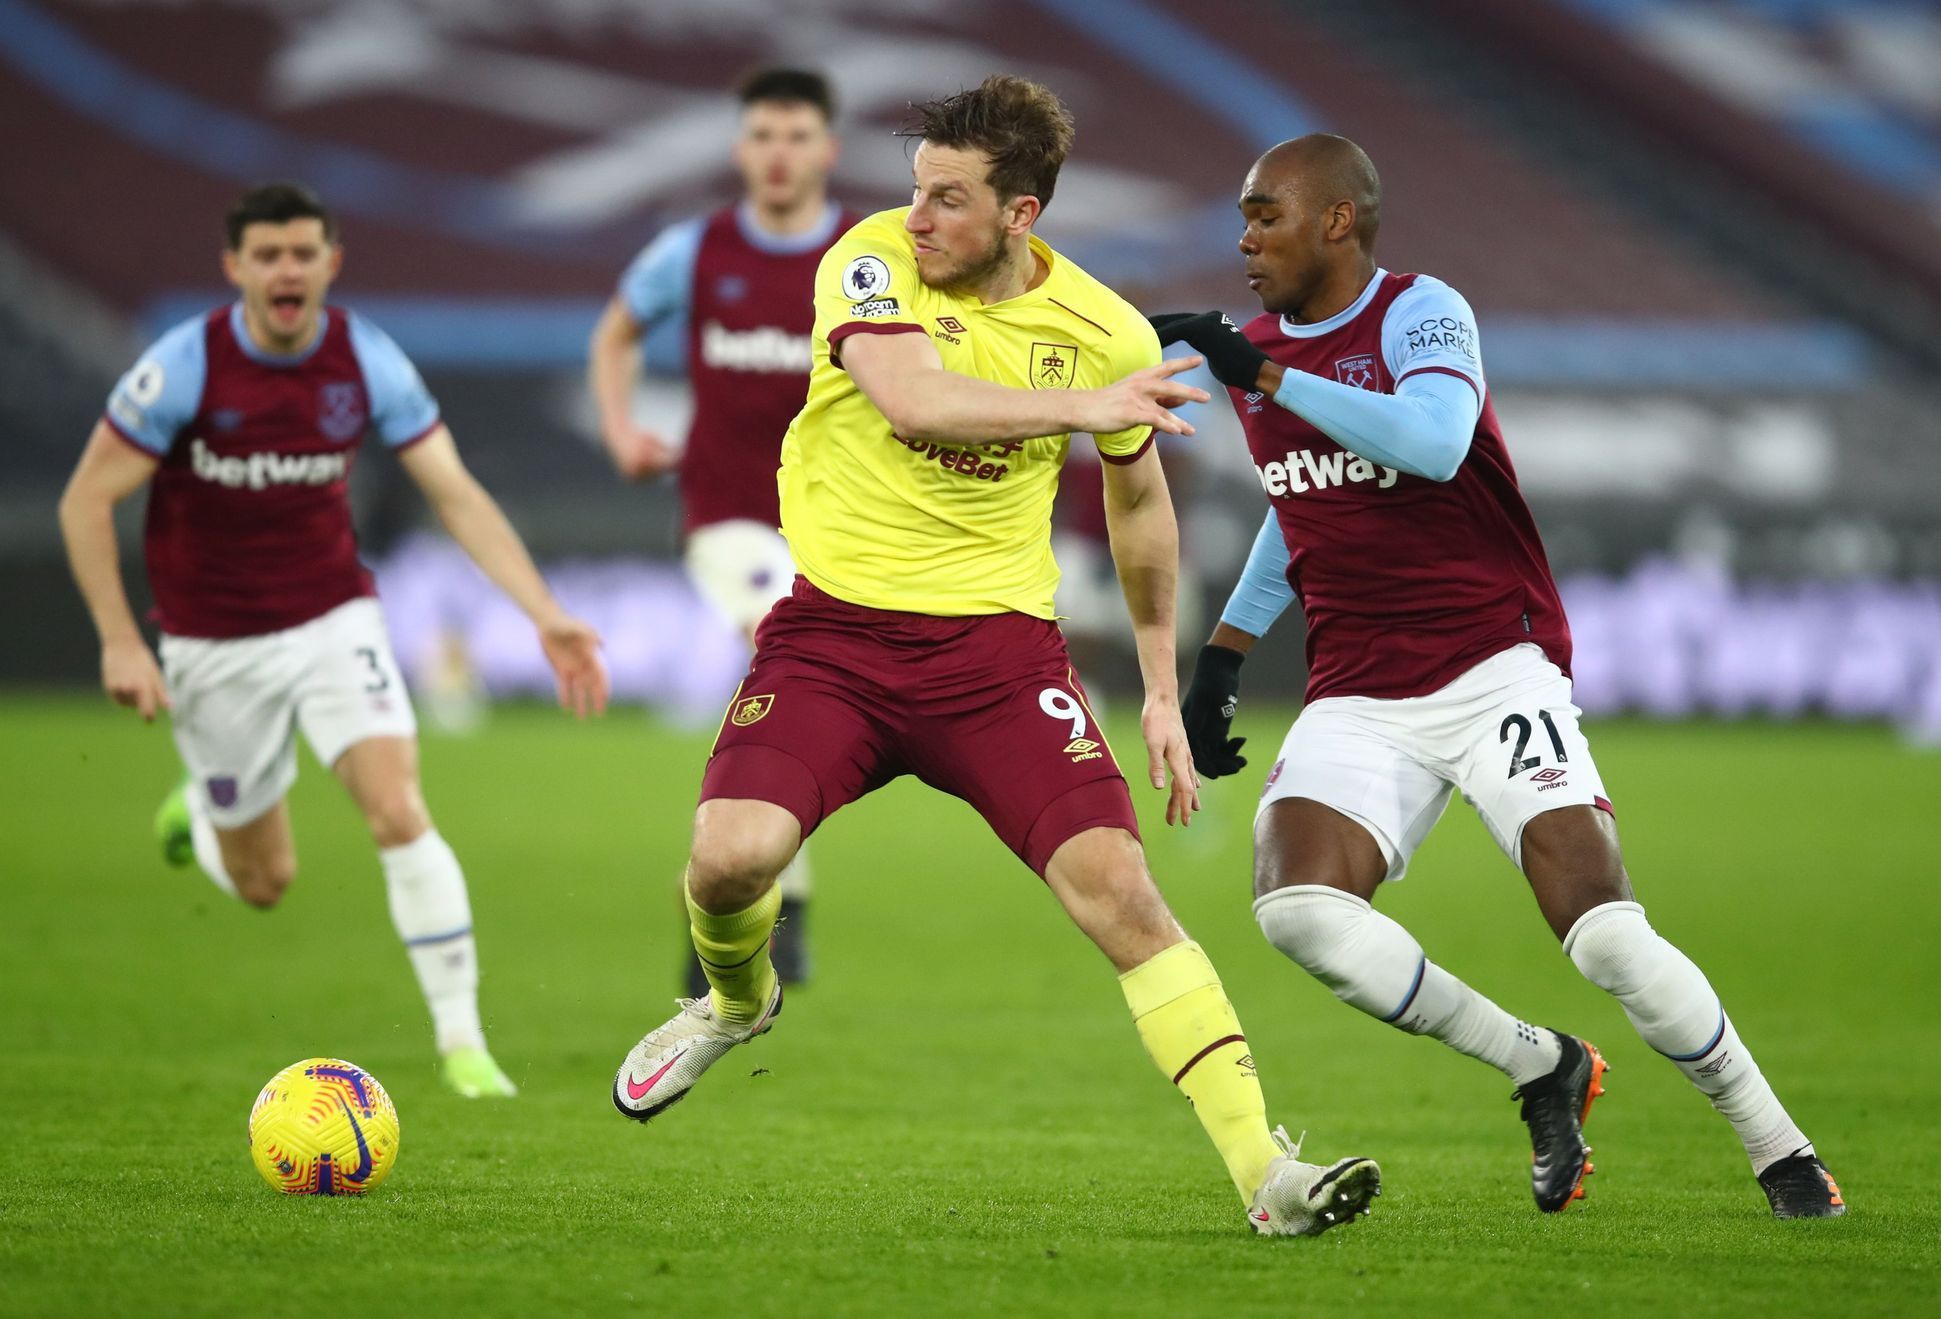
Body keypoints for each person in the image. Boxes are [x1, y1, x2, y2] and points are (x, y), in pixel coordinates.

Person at [609, 76, 1381, 1237]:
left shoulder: (1105, 334)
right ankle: (733, 1002)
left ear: (1022, 214)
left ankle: (1265, 1173)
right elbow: (911, 400)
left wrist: (1160, 688)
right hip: (834, 638)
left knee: (1124, 895)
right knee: (727, 864)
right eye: (917, 189)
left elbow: (1139, 503)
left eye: (950, 199)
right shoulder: (868, 259)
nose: (917, 217)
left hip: (999, 662)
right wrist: (1083, 412)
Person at [1157, 134, 1842, 1218]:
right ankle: (1539, 1062)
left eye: (1264, 214)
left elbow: (1432, 442)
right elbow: (1304, 496)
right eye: (1241, 218)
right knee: (1298, 911)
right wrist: (1223, 656)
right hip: (1358, 688)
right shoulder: (1258, 351)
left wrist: (1268, 375)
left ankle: (1779, 1147)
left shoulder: (1420, 312)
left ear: (1337, 220)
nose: (1244, 238)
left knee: (1606, 935)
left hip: (1492, 667)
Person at [59, 183, 610, 1098]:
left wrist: (543, 611)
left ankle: (463, 1044)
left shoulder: (365, 359)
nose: (287, 271)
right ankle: (202, 810)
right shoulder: (184, 367)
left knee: (398, 809)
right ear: (235, 267)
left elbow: (454, 492)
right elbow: (86, 498)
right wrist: (120, 640)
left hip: (332, 618)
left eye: (302, 254)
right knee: (265, 879)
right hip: (212, 643)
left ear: (330, 263)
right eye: (267, 255)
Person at [588, 68, 856, 989]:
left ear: (828, 149)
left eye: (796, 136)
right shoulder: (694, 250)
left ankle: (735, 904)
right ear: (741, 149)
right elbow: (615, 333)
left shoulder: (864, 259)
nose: (779, 154)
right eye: (763, 136)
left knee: (791, 695)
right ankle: (778, 904)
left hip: (834, 525)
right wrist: (620, 429)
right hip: (725, 518)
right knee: (775, 644)